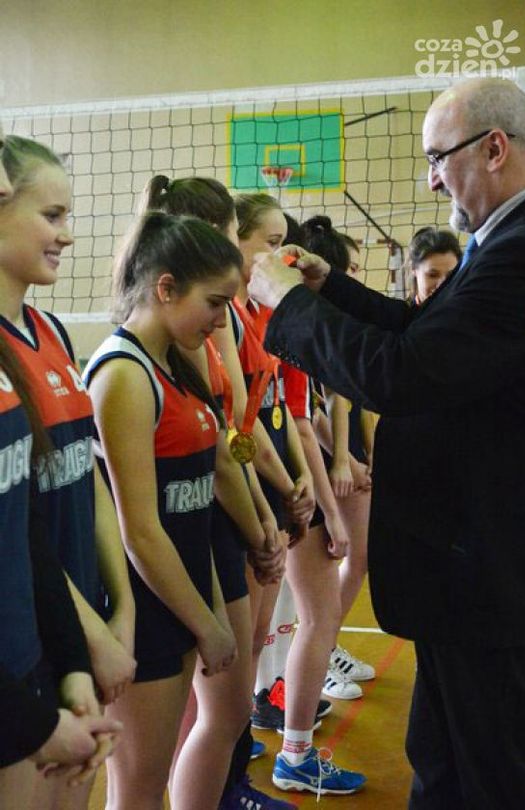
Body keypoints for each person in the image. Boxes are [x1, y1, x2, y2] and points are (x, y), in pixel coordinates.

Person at [248, 76, 525, 808]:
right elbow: (422, 331)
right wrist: (331, 288)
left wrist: (287, 305)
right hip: (470, 579)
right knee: (442, 763)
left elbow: (404, 374)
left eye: (439, 157)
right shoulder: (502, 240)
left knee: (494, 776)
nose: (431, 178)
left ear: (494, 148)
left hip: (490, 578)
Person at [136, 175, 297, 810]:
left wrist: (269, 511)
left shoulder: (213, 327)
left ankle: (226, 790)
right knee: (170, 742)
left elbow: (233, 431)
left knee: (225, 707)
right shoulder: (137, 366)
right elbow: (228, 438)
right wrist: (265, 514)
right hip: (193, 544)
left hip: (228, 522)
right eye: (253, 237)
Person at [84, 212, 246, 810]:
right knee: (138, 788)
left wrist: (211, 613)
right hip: (145, 609)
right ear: (166, 288)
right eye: (214, 302)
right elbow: (141, 533)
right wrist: (207, 623)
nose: (221, 320)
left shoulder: (174, 365)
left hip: (177, 599)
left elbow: (193, 515)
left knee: (153, 781)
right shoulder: (124, 374)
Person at [0, 134, 136, 810]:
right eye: (51, 215)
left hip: (47, 639)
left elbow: (36, 518)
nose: (67, 235)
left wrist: (115, 616)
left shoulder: (49, 333)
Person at [235, 197, 366, 797]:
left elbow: (301, 414)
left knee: (276, 625)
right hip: (272, 491)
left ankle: (257, 733)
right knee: (308, 618)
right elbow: (282, 424)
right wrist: (321, 503)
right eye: (270, 242)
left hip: (288, 487)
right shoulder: (245, 321)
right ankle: (290, 750)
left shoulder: (269, 317)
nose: (281, 255)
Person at [301, 215, 375, 694]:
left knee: (356, 556)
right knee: (333, 563)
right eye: (351, 268)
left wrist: (363, 451)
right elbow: (315, 409)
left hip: (343, 450)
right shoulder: (308, 323)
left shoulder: (342, 321)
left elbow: (348, 397)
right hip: (322, 454)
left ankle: (326, 644)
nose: (355, 277)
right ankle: (317, 654)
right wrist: (341, 458)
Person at [406, 226, 462, 304]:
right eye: (433, 275)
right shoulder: (400, 311)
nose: (442, 285)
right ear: (414, 269)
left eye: (451, 276)